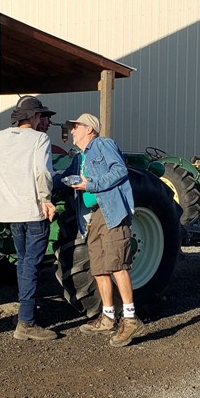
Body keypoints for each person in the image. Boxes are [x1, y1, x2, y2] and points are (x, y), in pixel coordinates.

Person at [0, 96, 57, 341]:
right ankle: (26, 322)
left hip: (9, 212)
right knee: (31, 264)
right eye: (41, 115)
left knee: (22, 261)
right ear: (32, 117)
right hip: (33, 210)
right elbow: (42, 172)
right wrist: (46, 198)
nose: (43, 120)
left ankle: (26, 312)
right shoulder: (40, 139)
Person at [59, 113, 144, 347]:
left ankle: (129, 318)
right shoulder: (80, 158)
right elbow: (65, 177)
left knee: (117, 264)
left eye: (75, 127)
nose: (72, 131)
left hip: (112, 211)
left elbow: (120, 171)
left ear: (89, 129)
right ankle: (108, 317)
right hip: (95, 215)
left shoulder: (103, 145)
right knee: (98, 266)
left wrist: (91, 184)